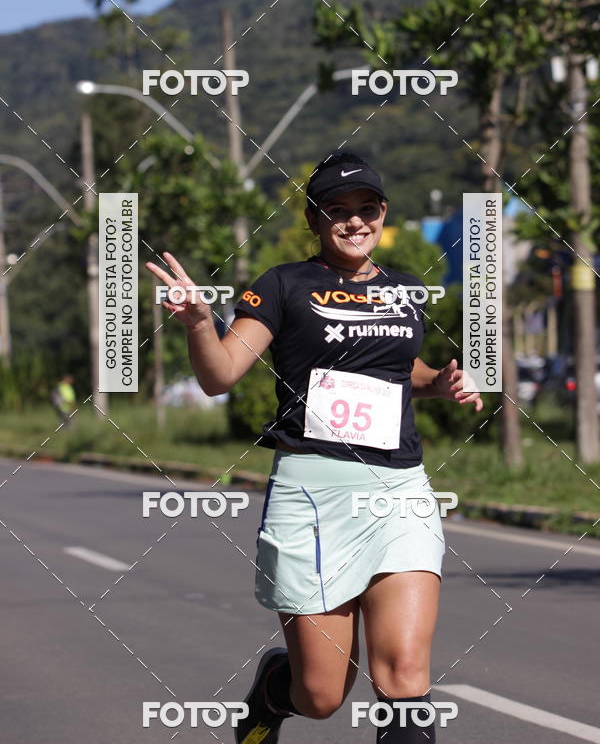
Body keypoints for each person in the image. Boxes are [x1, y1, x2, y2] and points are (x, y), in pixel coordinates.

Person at [145, 151, 483, 743]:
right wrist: (200, 322)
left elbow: (401, 369)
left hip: (399, 490)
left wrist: (442, 382)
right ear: (313, 218)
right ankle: (274, 691)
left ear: (383, 213)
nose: (355, 221)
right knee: (322, 696)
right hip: (313, 494)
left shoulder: (405, 288)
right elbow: (220, 375)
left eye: (367, 208)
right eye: (337, 210)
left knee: (404, 673)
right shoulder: (283, 284)